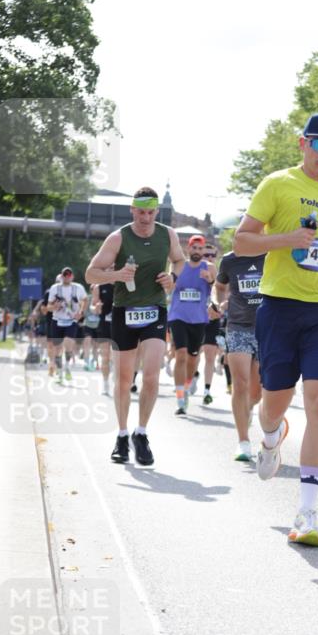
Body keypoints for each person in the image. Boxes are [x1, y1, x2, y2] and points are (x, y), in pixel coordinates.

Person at [233, 112, 318, 546]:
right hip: (281, 307)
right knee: (273, 402)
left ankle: (307, 514)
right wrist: (286, 239)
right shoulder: (278, 184)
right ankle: (271, 437)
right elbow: (241, 242)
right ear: (302, 144)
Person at [85, 187, 185, 465]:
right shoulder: (118, 238)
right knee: (124, 379)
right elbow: (91, 273)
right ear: (132, 210)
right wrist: (117, 274)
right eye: (141, 212)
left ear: (157, 212)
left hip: (155, 310)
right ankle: (121, 435)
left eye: (151, 212)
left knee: (151, 375)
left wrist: (173, 278)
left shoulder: (168, 234)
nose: (145, 218)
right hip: (124, 312)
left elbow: (179, 260)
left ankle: (141, 433)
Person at [215, 248, 266, 460]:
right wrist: (219, 303)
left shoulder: (272, 253)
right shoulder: (230, 260)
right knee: (240, 383)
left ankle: (250, 407)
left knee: (257, 392)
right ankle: (243, 441)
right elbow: (219, 286)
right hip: (237, 326)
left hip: (266, 327)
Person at [167, 235, 216, 414]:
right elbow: (168, 287)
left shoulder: (209, 267)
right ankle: (180, 397)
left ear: (203, 251)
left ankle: (187, 385)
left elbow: (217, 289)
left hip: (198, 318)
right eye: (193, 248)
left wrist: (210, 280)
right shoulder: (179, 266)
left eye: (200, 248)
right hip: (178, 315)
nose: (197, 251)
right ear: (188, 249)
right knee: (180, 354)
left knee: (193, 358)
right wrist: (170, 283)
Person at [47, 268, 87, 383]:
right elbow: (48, 307)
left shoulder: (78, 287)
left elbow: (85, 300)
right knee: (57, 349)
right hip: (57, 321)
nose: (67, 277)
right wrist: (54, 307)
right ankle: (59, 372)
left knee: (68, 345)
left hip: (71, 321)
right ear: (62, 276)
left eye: (69, 275)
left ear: (72, 276)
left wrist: (81, 312)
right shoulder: (55, 288)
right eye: (65, 275)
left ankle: (67, 367)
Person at [91, 281, 114, 395]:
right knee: (105, 357)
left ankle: (117, 378)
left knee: (117, 357)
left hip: (121, 325)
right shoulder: (99, 287)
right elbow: (92, 306)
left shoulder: (123, 283)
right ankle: (105, 383)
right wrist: (96, 308)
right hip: (104, 325)